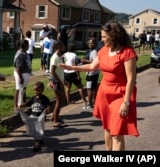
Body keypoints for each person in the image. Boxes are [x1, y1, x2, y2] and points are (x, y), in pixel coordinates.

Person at [59, 20, 139, 150]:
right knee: (107, 128)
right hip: (104, 93)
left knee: (116, 133)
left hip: (121, 94)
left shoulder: (127, 52)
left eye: (104, 37)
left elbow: (131, 79)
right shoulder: (103, 50)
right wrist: (71, 67)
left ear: (114, 36)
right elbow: (91, 66)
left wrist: (126, 102)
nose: (102, 40)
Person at [19, 81, 52, 152]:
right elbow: (27, 104)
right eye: (34, 90)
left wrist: (48, 108)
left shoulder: (44, 98)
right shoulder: (33, 98)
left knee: (39, 130)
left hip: (40, 119)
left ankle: (37, 144)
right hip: (33, 118)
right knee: (35, 130)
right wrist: (21, 105)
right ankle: (39, 140)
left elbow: (49, 105)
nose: (35, 91)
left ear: (42, 90)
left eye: (37, 90)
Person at [49, 40, 67, 127]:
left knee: (60, 100)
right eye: (62, 44)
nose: (64, 46)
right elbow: (52, 71)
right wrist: (60, 82)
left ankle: (54, 116)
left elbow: (60, 70)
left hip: (59, 80)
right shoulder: (55, 57)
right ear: (59, 46)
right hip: (56, 81)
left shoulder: (59, 56)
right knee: (59, 101)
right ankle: (55, 121)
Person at [81, 38, 100, 109]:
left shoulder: (94, 52)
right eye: (89, 43)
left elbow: (96, 62)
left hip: (92, 73)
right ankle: (93, 102)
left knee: (90, 88)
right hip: (93, 72)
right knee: (93, 88)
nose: (90, 44)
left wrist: (85, 60)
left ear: (95, 44)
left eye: (92, 43)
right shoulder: (90, 51)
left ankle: (89, 104)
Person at [13, 39, 31, 108]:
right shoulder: (20, 54)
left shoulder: (24, 53)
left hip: (25, 73)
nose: (29, 46)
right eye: (28, 45)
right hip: (21, 74)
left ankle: (23, 104)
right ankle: (16, 106)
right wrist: (20, 77)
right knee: (18, 89)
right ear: (24, 45)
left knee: (23, 89)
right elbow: (18, 67)